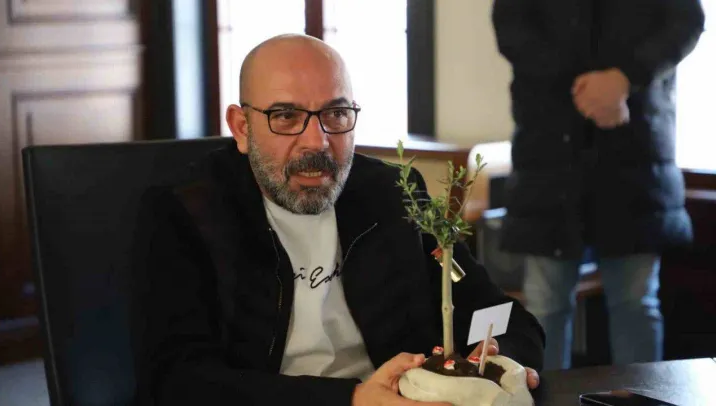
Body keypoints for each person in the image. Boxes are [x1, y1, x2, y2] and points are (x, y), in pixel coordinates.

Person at [132, 34, 544, 405]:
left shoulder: (392, 195)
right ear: (242, 128)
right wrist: (352, 399)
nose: (317, 142)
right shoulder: (186, 212)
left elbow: (490, 308)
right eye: (286, 116)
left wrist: (500, 357)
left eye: (336, 114)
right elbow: (178, 381)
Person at [491, 0, 705, 370]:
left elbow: (686, 20)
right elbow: (512, 27)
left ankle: (640, 395)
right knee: (546, 306)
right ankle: (547, 396)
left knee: (635, 304)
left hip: (636, 150)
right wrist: (584, 86)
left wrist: (625, 77)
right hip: (548, 154)